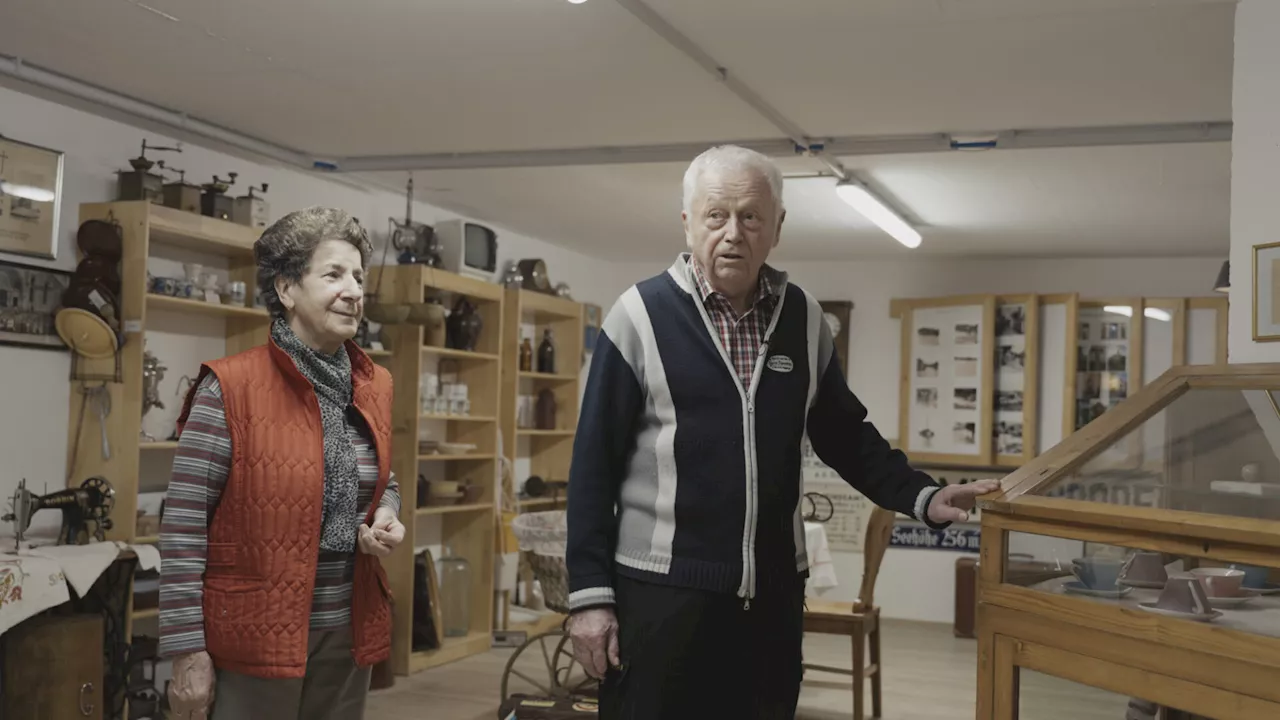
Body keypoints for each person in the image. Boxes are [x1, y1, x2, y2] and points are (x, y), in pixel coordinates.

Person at [566, 145, 998, 719]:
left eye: (750, 216)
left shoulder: (804, 319)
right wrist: (590, 598)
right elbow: (592, 466)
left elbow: (846, 435)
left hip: (770, 604)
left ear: (777, 228)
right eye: (716, 215)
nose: (733, 233)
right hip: (660, 597)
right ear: (688, 221)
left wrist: (922, 494)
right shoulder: (638, 317)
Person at [158, 206, 406, 720]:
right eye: (334, 274)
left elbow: (382, 479)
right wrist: (186, 650)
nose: (354, 290)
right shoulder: (229, 387)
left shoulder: (373, 385)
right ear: (287, 289)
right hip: (255, 635)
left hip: (348, 629)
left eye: (359, 276)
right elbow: (183, 527)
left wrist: (385, 511)